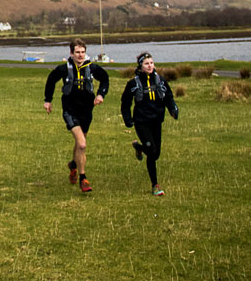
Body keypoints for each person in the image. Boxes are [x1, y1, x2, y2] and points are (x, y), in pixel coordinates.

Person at [43, 38, 109, 193]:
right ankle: (83, 179)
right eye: (77, 52)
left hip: (86, 110)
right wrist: (48, 100)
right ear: (71, 53)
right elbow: (51, 81)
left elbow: (105, 79)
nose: (80, 55)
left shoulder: (92, 67)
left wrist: (101, 95)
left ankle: (73, 165)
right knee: (82, 144)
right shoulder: (64, 68)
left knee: (81, 142)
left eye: (83, 52)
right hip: (70, 110)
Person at [120, 52, 179, 196]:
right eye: (146, 63)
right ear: (140, 66)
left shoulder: (161, 81)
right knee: (152, 151)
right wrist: (128, 119)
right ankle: (155, 185)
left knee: (156, 153)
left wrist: (173, 109)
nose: (150, 66)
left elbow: (168, 97)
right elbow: (125, 103)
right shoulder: (133, 84)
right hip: (141, 122)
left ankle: (139, 148)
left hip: (157, 120)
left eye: (151, 63)